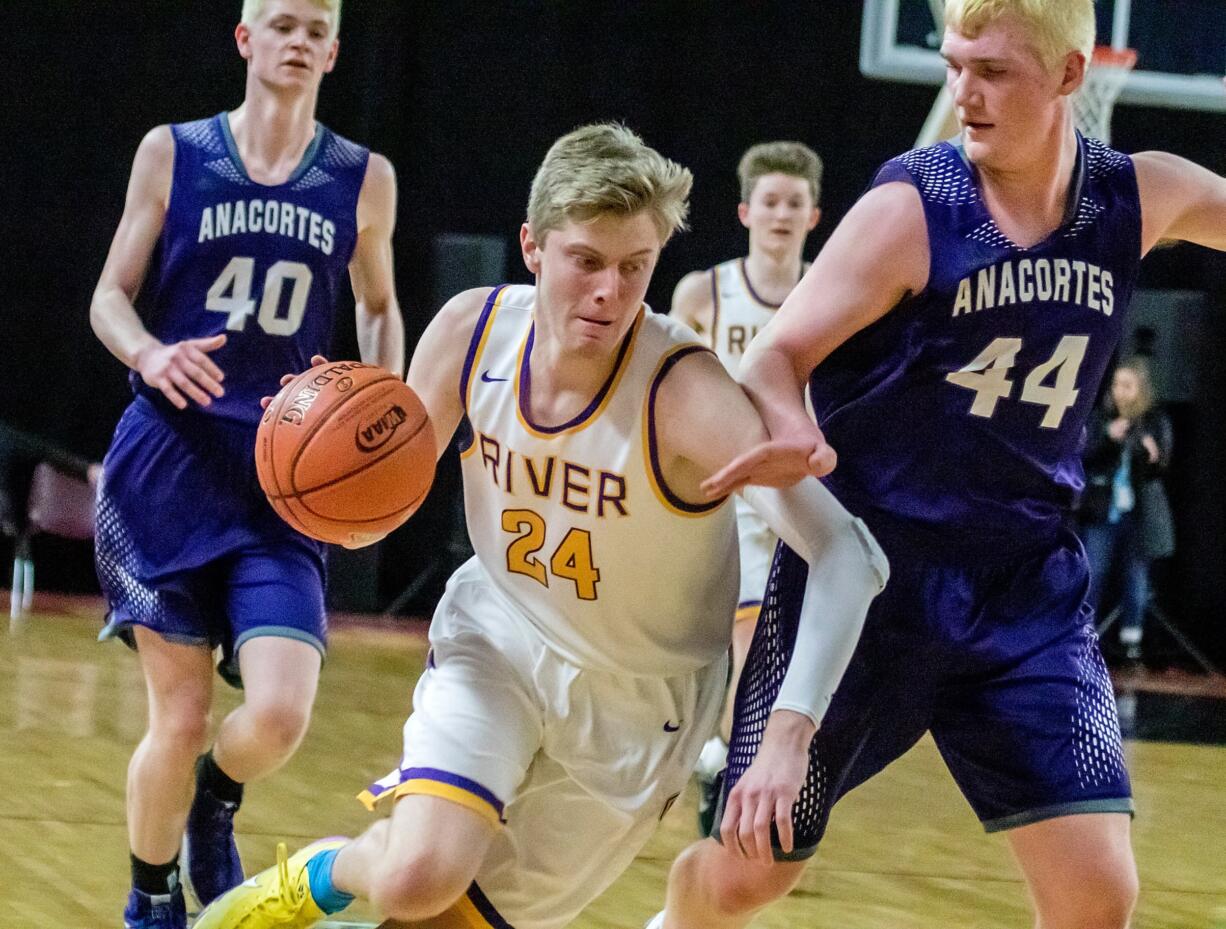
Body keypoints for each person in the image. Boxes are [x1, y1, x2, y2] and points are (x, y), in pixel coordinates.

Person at [191, 122, 886, 929]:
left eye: (635, 267)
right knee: (416, 876)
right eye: (586, 261)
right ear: (532, 245)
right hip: (500, 636)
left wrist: (787, 734)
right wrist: (322, 464)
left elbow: (848, 554)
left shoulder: (684, 395)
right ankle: (322, 875)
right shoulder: (468, 331)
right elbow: (386, 509)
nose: (609, 292)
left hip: (636, 700)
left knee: (438, 920)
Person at [651, 2, 1226, 928]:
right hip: (872, 579)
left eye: (992, 70)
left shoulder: (1139, 195)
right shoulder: (912, 210)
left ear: (1072, 78)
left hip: (1024, 583)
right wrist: (794, 431)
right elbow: (773, 357)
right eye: (956, 64)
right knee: (750, 868)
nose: (963, 91)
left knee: (1099, 894)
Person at [89, 1, 405, 925]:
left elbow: (379, 306)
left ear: (335, 51)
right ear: (245, 39)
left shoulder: (362, 176)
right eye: (281, 23)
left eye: (316, 28)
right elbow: (109, 297)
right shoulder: (174, 151)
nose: (298, 39)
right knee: (177, 718)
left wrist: (374, 395)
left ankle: (214, 800)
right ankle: (151, 899)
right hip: (170, 466)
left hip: (285, 482)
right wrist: (148, 351)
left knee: (277, 716)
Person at [669, 141, 822, 835]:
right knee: (716, 650)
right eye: (771, 201)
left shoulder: (832, 291)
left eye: (795, 202)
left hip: (792, 494)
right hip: (717, 489)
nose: (782, 213)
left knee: (762, 650)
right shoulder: (705, 292)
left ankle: (727, 771)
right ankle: (719, 765)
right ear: (745, 211)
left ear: (815, 214)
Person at [1080, 357, 1174, 662]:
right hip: (1104, 512)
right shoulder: (1100, 418)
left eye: (1128, 386)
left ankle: (1130, 642)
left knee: (1136, 581)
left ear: (1141, 390)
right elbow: (1083, 456)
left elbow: (1160, 467)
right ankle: (1084, 641)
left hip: (1139, 516)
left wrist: (1151, 456)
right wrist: (1109, 438)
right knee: (1093, 574)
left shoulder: (1155, 420)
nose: (1120, 392)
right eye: (1117, 385)